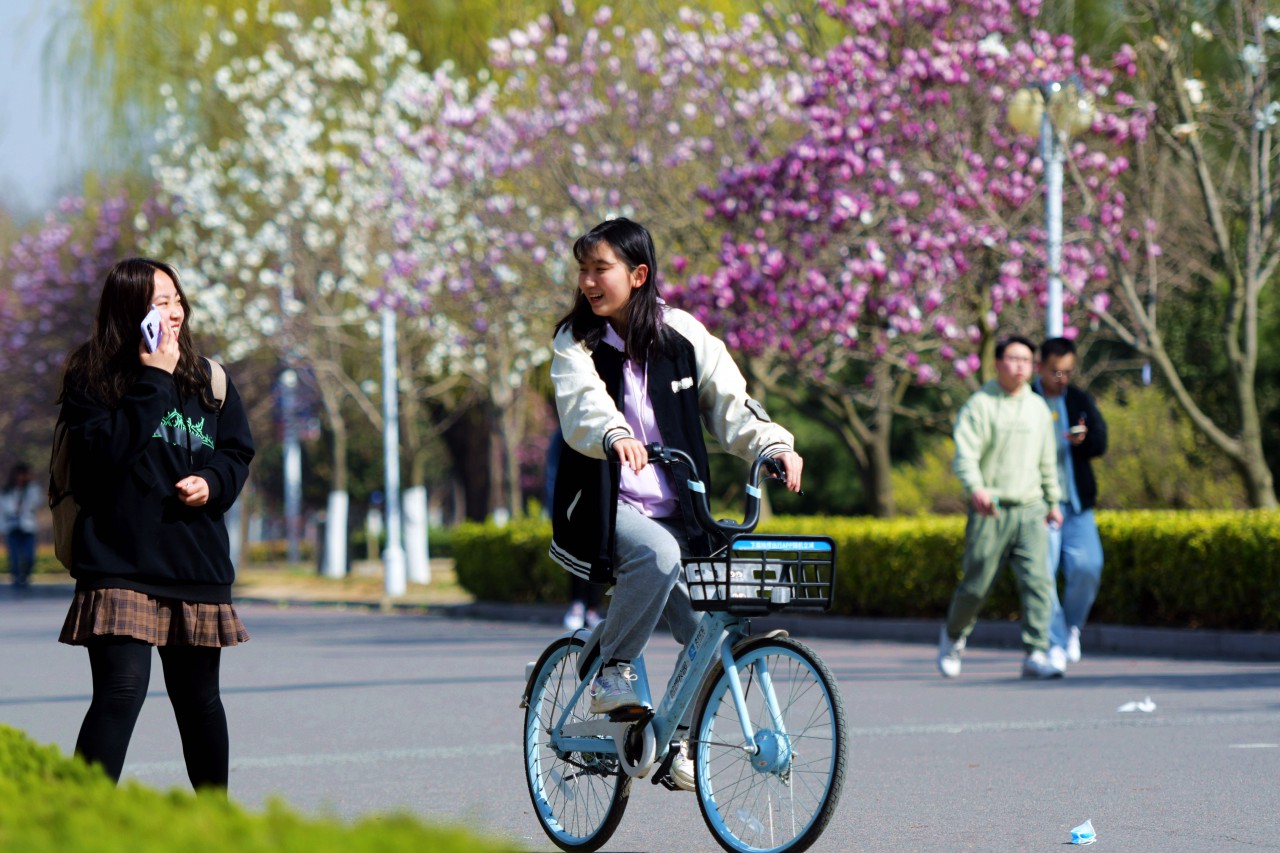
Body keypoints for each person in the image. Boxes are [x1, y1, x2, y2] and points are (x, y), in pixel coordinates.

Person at [548, 217, 802, 789]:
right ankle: (608, 668)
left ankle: (678, 740)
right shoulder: (576, 342)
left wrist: (774, 444)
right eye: (583, 270)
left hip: (681, 508)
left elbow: (731, 404)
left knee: (707, 624)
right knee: (658, 556)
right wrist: (615, 434)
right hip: (608, 501)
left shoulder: (681, 333)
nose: (588, 281)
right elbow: (583, 403)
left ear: (638, 275)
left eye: (600, 269)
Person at [56, 257, 255, 790]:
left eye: (176, 300)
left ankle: (215, 824)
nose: (174, 312)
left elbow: (237, 452)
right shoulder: (93, 376)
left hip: (195, 558)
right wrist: (153, 377)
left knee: (200, 703)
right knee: (120, 693)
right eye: (159, 302)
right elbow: (104, 457)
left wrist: (213, 481)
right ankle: (76, 823)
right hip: (119, 560)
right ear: (129, 311)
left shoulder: (209, 379)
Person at [938, 335, 1064, 679]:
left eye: (1027, 360)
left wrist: (1053, 501)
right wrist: (975, 488)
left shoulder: (1038, 408)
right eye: (1013, 358)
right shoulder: (981, 404)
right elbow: (966, 455)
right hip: (989, 508)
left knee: (1039, 583)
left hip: (1030, 508)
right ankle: (953, 636)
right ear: (997, 363)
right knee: (976, 584)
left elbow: (1047, 460)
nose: (1021, 365)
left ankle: (1036, 652)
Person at [1033, 337, 1107, 668]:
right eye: (1055, 371)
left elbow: (1101, 441)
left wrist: (1084, 440)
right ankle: (1055, 644)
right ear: (1041, 367)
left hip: (1076, 504)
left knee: (1088, 567)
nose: (1061, 378)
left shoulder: (1078, 399)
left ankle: (1071, 627)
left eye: (1067, 372)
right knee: (1043, 576)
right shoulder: (1027, 399)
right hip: (1038, 504)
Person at [545, 426, 604, 630]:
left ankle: (593, 609)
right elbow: (552, 472)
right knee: (578, 555)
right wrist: (555, 508)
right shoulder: (563, 434)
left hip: (600, 502)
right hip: (574, 503)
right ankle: (577, 605)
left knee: (601, 555)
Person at [2, 462, 41, 588]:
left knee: (29, 556)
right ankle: (17, 580)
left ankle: (26, 575)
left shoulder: (32, 489)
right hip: (12, 526)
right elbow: (4, 508)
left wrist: (32, 483)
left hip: (28, 527)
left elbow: (37, 502)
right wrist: (15, 510)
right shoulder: (7, 491)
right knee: (14, 556)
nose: (21, 478)